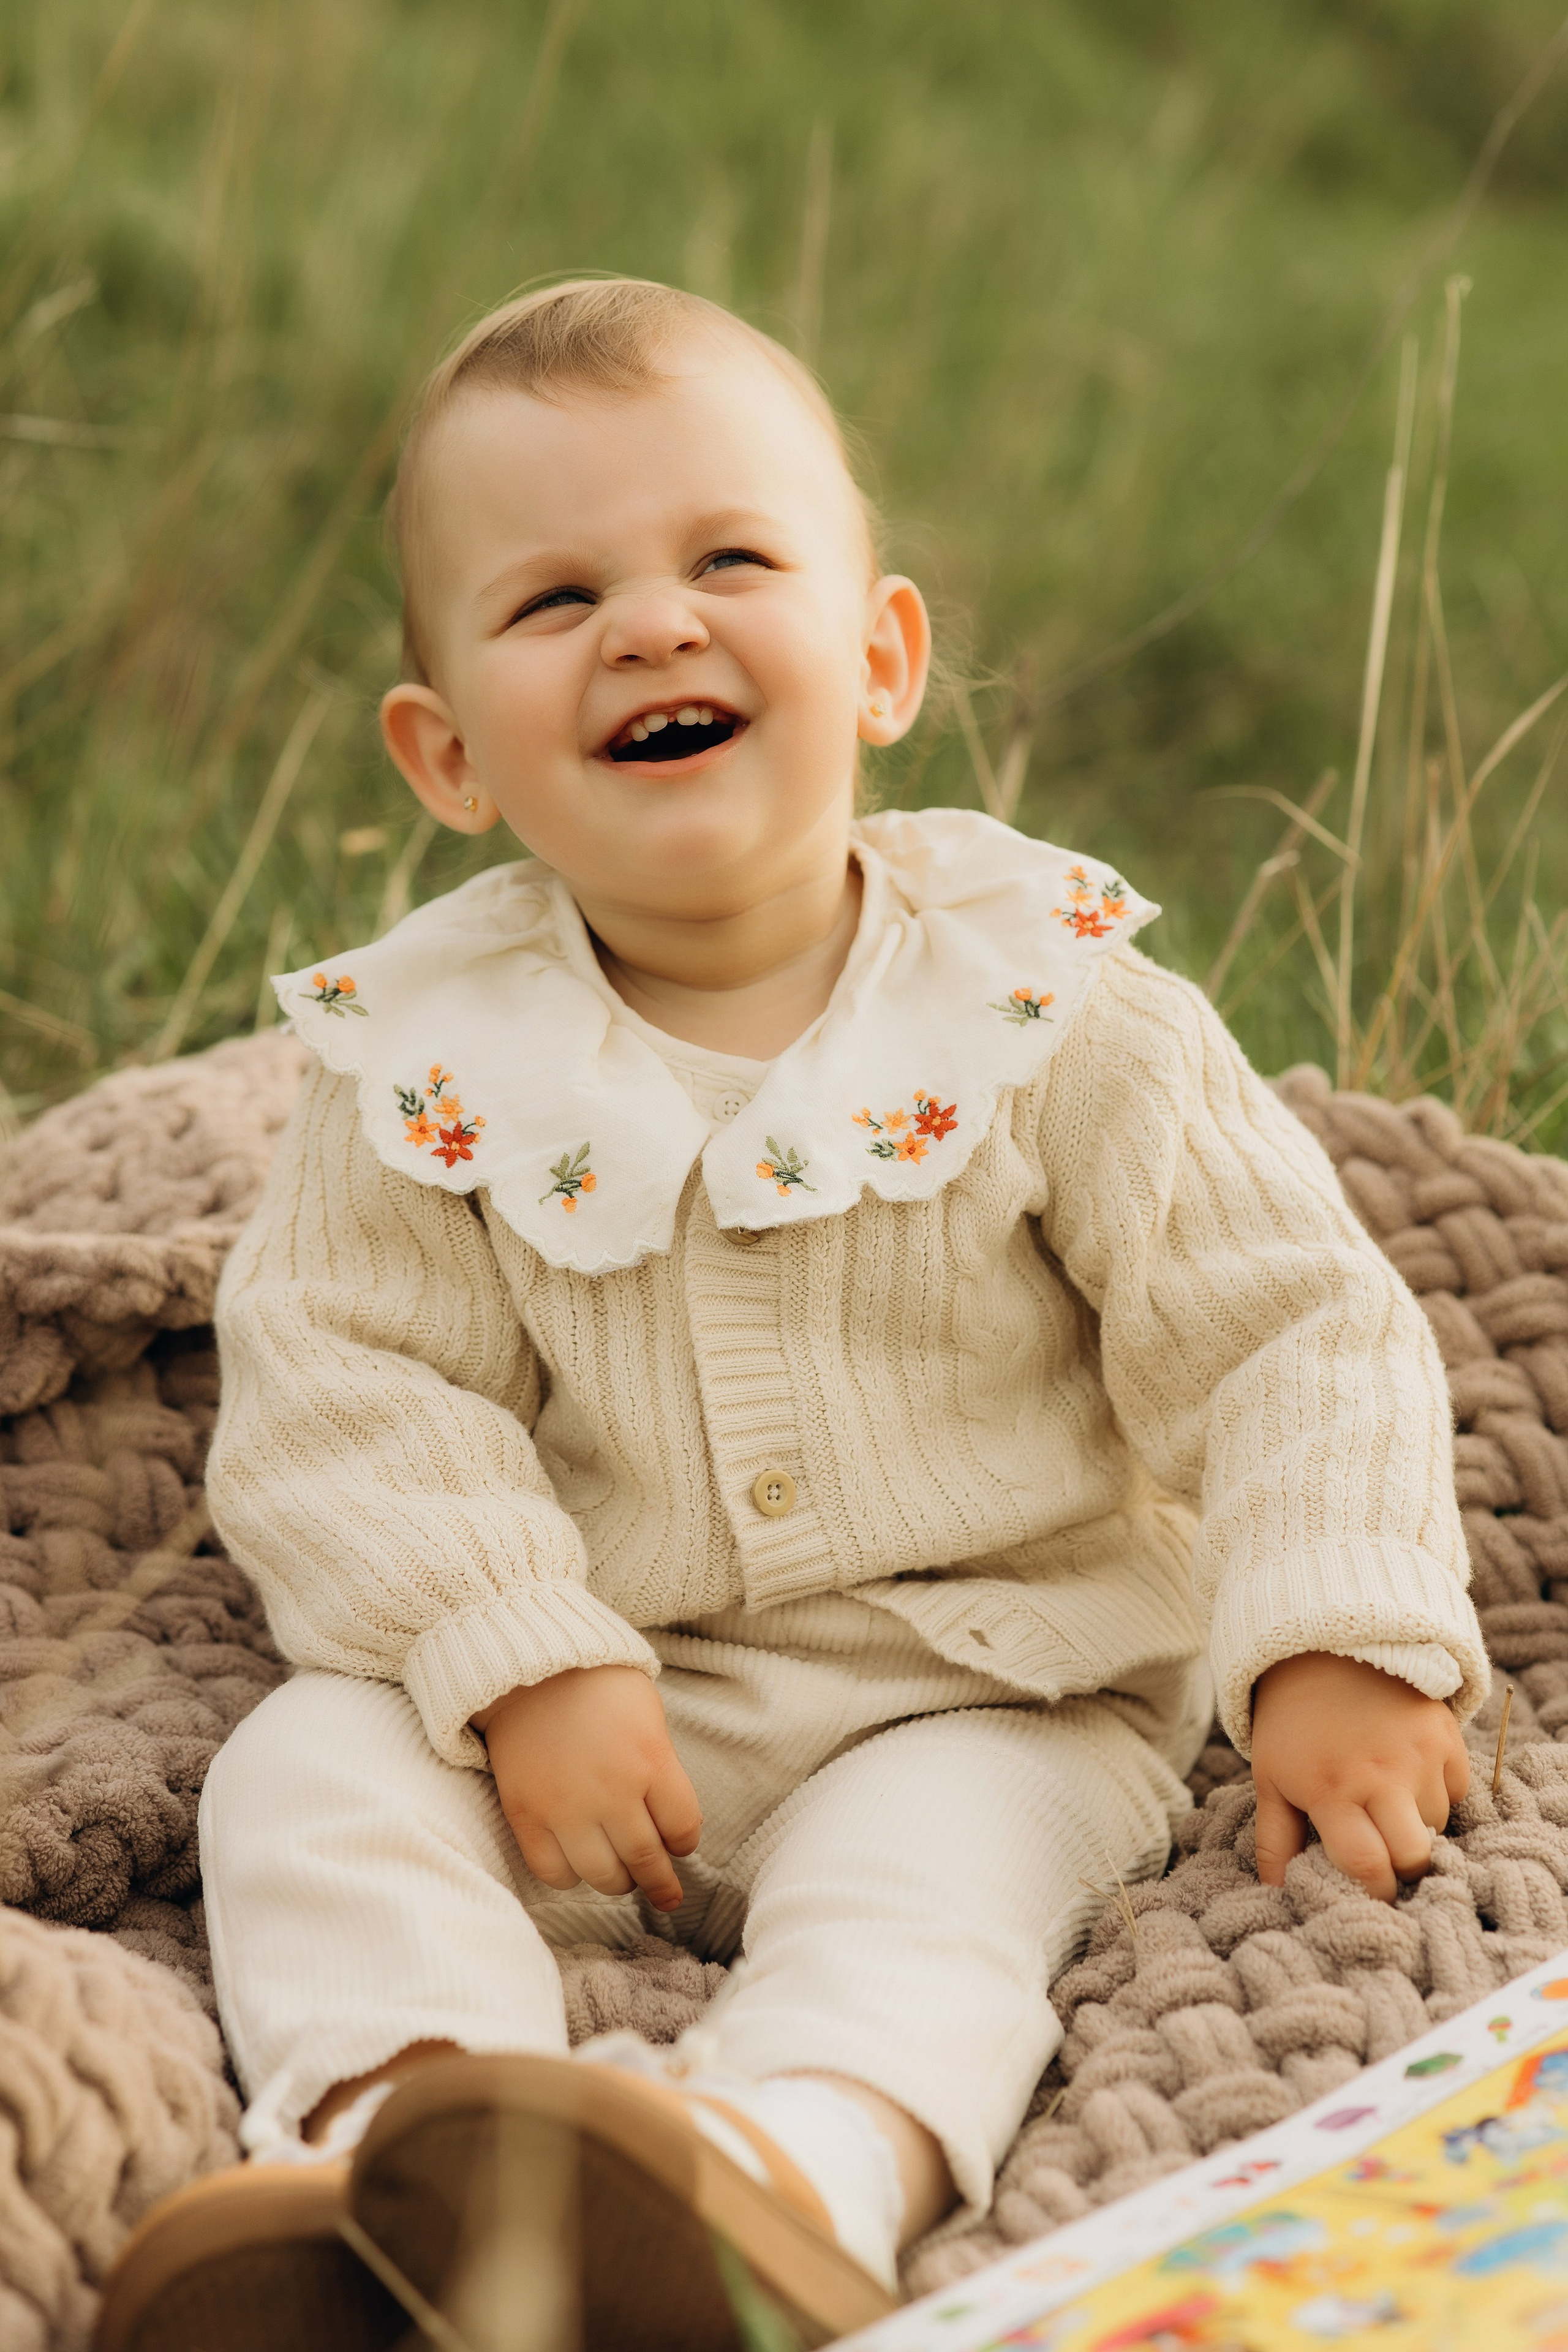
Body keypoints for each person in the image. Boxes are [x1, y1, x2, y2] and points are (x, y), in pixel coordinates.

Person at [97, 277, 1484, 2352]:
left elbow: (1286, 1323)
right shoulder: (421, 1072)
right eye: (555, 598)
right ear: (449, 754)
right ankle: (390, 2144)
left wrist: (1336, 1635)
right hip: (603, 1706)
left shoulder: (1045, 1004)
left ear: (882, 654)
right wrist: (506, 1654)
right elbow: (344, 1395)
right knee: (302, 1767)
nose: (654, 625)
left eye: (730, 561)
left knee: (933, 1893)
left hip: (985, 1684)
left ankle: (785, 2174)